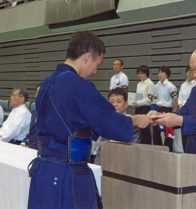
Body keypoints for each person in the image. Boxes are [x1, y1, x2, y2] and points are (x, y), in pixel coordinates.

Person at [27, 31, 150, 209]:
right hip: (67, 174)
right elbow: (108, 122)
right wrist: (136, 120)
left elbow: (73, 124)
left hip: (44, 171)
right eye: (97, 63)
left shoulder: (46, 83)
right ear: (86, 58)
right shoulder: (79, 85)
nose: (95, 70)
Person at [152, 66, 178, 151]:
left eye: (162, 72)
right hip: (158, 109)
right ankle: (158, 149)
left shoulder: (171, 86)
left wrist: (174, 111)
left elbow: (175, 99)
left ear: (167, 74)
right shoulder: (156, 85)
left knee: (167, 131)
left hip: (167, 110)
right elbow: (155, 98)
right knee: (156, 130)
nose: (160, 74)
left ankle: (168, 149)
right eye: (159, 72)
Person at [132, 65, 155, 144]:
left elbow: (149, 99)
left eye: (141, 73)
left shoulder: (150, 84)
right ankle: (141, 144)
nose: (139, 75)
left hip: (145, 108)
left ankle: (147, 145)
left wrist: (138, 103)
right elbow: (138, 96)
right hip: (138, 108)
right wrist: (134, 102)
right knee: (139, 129)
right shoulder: (139, 84)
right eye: (138, 73)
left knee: (145, 129)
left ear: (146, 73)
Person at [24, 82, 41, 149]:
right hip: (30, 147)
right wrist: (24, 142)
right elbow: (31, 133)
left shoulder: (50, 113)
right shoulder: (34, 112)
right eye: (37, 92)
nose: (39, 95)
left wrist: (29, 147)